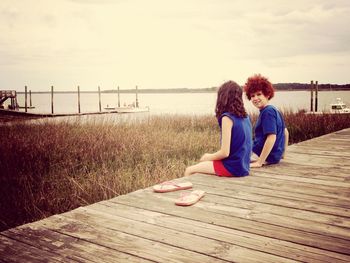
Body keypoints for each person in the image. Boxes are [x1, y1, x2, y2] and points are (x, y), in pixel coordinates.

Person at [184, 80, 252, 177]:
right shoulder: (245, 117)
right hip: (244, 166)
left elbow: (225, 153)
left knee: (190, 170)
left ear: (222, 97)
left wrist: (207, 157)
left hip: (232, 168)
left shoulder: (227, 118)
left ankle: (188, 192)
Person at [244, 74, 289, 168]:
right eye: (252, 96)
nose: (255, 98)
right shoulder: (274, 110)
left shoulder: (267, 112)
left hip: (261, 156)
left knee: (232, 160)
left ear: (267, 94)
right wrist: (282, 154)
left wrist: (260, 162)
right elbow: (285, 132)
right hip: (273, 157)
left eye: (259, 94)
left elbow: (271, 137)